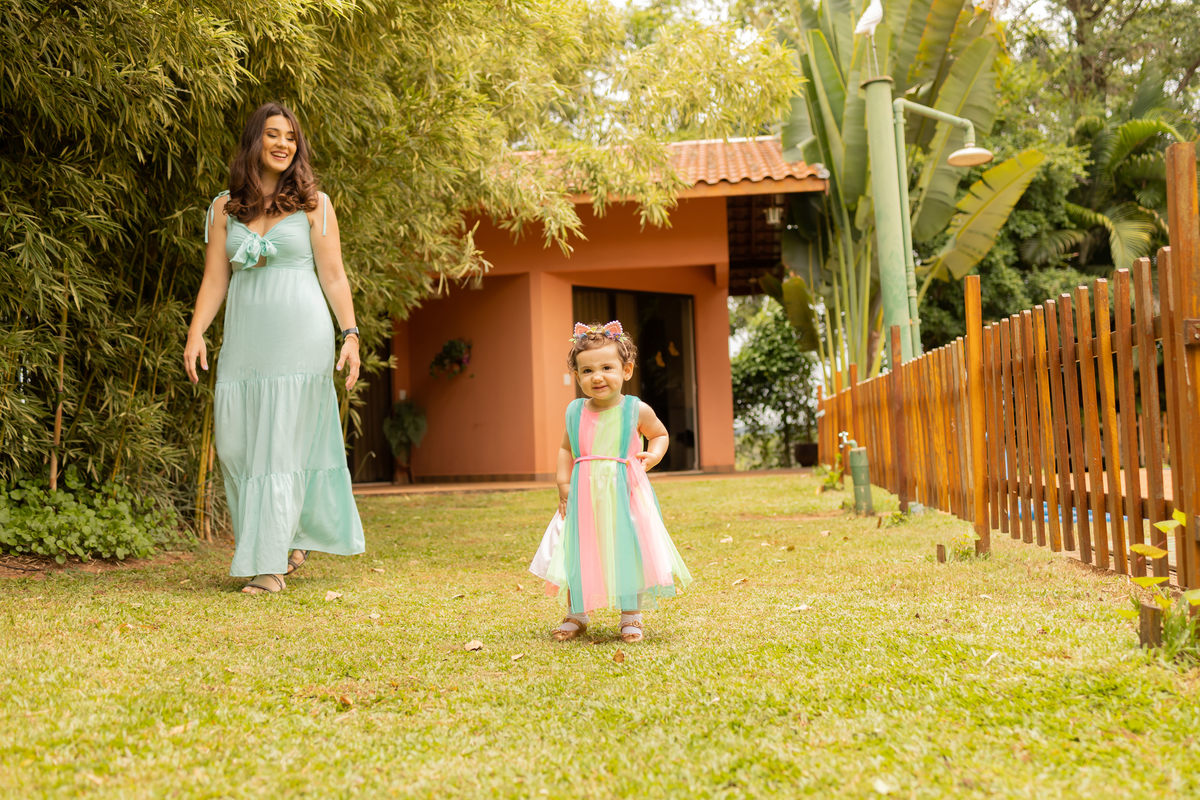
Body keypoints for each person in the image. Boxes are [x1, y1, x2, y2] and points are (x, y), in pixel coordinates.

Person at [184, 102, 365, 594]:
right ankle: (289, 538)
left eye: (290, 136)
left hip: (300, 335)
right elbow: (215, 278)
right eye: (272, 135)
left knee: (281, 443)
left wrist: (349, 334)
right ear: (254, 142)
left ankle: (269, 568)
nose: (283, 143)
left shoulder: (315, 205)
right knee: (240, 444)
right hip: (245, 339)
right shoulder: (224, 207)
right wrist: (196, 331)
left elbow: (333, 276)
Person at [529, 321, 692, 642]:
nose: (597, 376)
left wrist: (654, 455)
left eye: (607, 367)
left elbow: (659, 434)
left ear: (626, 370)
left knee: (627, 551)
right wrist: (563, 485)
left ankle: (631, 615)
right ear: (577, 376)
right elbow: (565, 449)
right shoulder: (575, 411)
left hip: (625, 494)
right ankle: (576, 613)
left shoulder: (635, 409)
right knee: (578, 551)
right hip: (583, 495)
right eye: (587, 371)